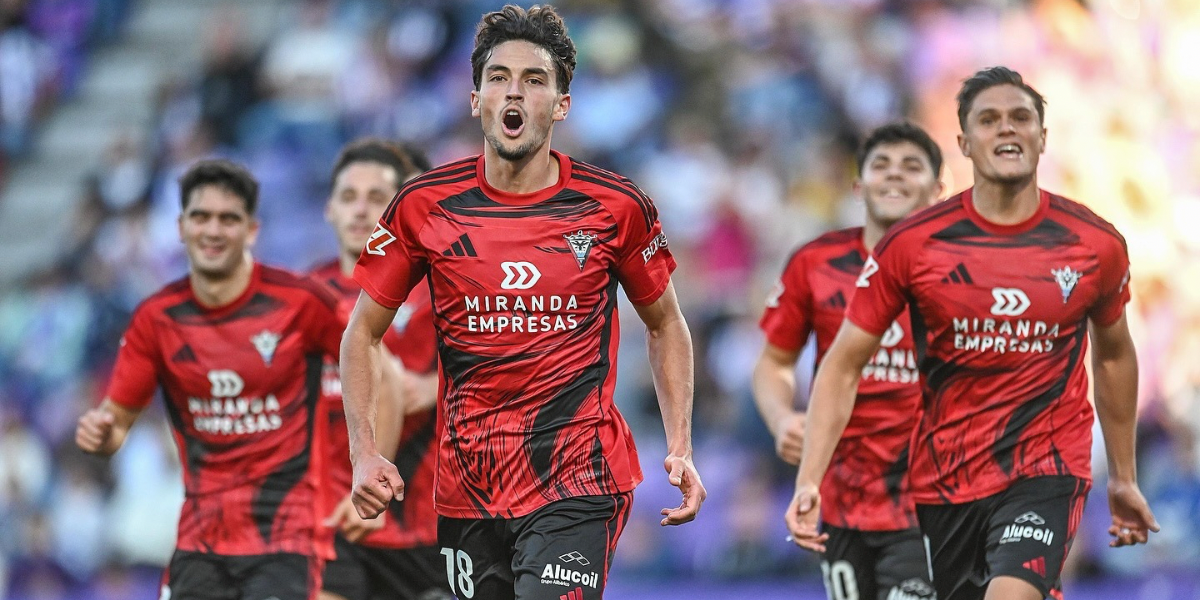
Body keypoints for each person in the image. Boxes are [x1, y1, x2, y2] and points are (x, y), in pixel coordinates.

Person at [340, 5, 706, 600]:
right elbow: (362, 333)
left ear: (561, 103)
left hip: (578, 477)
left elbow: (666, 324)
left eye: (535, 80)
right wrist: (364, 453)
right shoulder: (424, 206)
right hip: (468, 486)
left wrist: (681, 444)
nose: (515, 93)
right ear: (476, 97)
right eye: (499, 77)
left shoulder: (615, 207)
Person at [786, 66, 1160, 600]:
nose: (1006, 129)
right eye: (989, 120)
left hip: (1047, 465)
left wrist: (1123, 475)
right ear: (963, 142)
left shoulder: (1093, 244)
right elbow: (842, 364)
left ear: (1043, 136)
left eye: (1020, 118)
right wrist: (810, 478)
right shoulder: (914, 246)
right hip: (947, 477)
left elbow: (1115, 355)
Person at [75, 159, 347, 600]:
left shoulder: (302, 303)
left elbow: (375, 371)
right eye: (201, 217)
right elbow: (118, 419)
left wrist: (371, 457)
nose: (213, 230)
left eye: (228, 218)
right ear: (181, 227)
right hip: (202, 538)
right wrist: (102, 432)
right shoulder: (156, 319)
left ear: (252, 230)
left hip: (287, 536)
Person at [754, 122, 943, 600]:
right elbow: (774, 363)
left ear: (940, 190)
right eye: (881, 165)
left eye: (911, 166)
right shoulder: (816, 263)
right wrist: (780, 419)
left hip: (927, 501)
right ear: (859, 185)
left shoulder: (959, 273)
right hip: (837, 499)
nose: (894, 176)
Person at [312, 138, 452, 600]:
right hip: (334, 517)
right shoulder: (307, 295)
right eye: (349, 197)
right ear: (328, 207)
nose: (359, 211)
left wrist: (439, 387)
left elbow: (509, 373)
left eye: (376, 199)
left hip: (424, 520)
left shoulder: (443, 287)